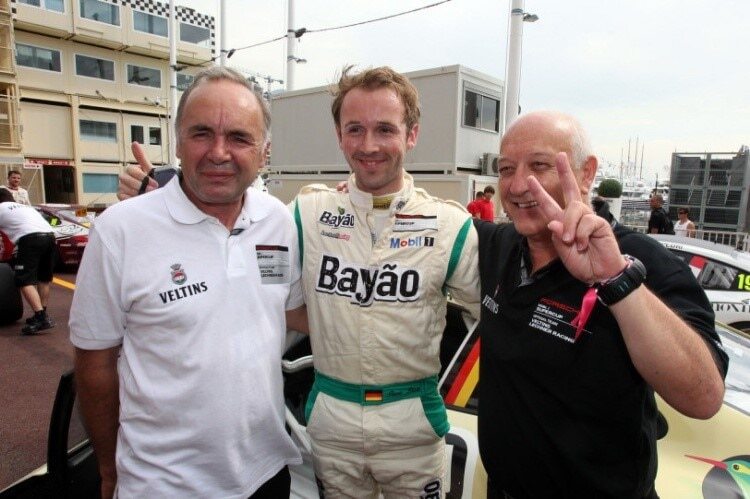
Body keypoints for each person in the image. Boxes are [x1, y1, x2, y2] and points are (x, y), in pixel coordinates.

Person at [118, 65, 480, 498]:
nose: (369, 146)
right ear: (339, 134)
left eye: (385, 129)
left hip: (414, 425)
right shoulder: (305, 213)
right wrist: (159, 194)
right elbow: (232, 215)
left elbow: (498, 320)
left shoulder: (450, 225)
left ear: (412, 134)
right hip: (332, 423)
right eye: (355, 129)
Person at [70, 67, 308, 499]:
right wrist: (108, 467)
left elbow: (287, 310)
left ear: (264, 151)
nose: (219, 152)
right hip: (164, 485)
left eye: (239, 137)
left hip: (267, 473)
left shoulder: (277, 219)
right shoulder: (121, 230)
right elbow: (95, 365)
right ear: (177, 141)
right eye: (201, 133)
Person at [475, 111, 728, 498]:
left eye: (539, 165)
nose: (518, 184)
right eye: (506, 168)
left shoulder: (643, 261)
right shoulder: (498, 247)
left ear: (586, 173)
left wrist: (616, 280)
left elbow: (703, 396)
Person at [0, 187, 55, 334]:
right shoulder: (24, 207)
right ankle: (42, 313)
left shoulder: (0, 209)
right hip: (50, 236)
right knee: (43, 278)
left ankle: (40, 317)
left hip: (30, 239)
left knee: (24, 280)